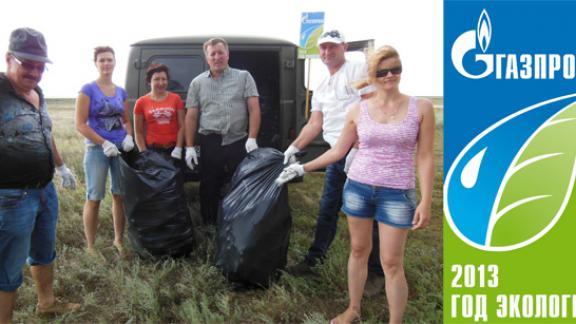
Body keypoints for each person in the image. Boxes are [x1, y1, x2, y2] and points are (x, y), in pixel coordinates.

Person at [277, 45, 435, 324]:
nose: (390, 76)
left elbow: (424, 156)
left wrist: (425, 199)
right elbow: (338, 151)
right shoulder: (358, 110)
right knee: (359, 251)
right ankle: (353, 309)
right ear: (373, 75)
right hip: (358, 189)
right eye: (383, 71)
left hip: (397, 193)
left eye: (395, 69)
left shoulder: (420, 107)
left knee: (391, 263)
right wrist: (301, 166)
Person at [283, 29, 384, 296]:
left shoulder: (357, 69)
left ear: (344, 47)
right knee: (328, 208)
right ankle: (314, 260)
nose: (327, 52)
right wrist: (293, 148)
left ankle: (376, 273)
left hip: (363, 154)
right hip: (337, 156)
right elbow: (315, 123)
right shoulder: (323, 86)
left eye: (332, 47)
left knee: (367, 215)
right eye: (323, 48)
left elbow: (372, 109)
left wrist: (359, 146)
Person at [0, 27, 80, 322]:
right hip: (11, 196)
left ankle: (46, 303)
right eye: (27, 64)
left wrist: (60, 166)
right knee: (7, 266)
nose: (34, 72)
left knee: (44, 250)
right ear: (9, 58)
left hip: (44, 190)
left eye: (39, 66)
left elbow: (46, 134)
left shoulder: (38, 93)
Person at [184, 37, 261, 225]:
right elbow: (191, 116)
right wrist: (190, 147)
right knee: (209, 185)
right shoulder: (197, 83)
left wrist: (252, 138)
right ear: (207, 57)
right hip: (210, 141)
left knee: (242, 182)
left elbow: (254, 109)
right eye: (213, 54)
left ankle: (240, 223)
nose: (217, 57)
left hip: (238, 141)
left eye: (220, 52)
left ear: (228, 54)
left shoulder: (244, 76)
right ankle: (209, 225)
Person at [75, 46, 134, 257]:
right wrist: (103, 143)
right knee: (94, 196)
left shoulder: (121, 92)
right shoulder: (88, 90)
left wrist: (128, 136)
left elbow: (126, 120)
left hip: (119, 150)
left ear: (115, 62)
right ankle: (90, 246)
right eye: (102, 60)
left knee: (119, 195)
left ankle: (118, 240)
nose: (106, 64)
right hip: (97, 150)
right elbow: (80, 124)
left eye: (109, 60)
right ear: (96, 63)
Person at [134, 63, 185, 158]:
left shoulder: (176, 99)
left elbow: (182, 126)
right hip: (152, 151)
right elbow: (138, 132)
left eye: (164, 79)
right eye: (156, 79)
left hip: (173, 150)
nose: (161, 83)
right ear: (149, 81)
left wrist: (178, 148)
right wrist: (144, 152)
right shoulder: (141, 102)